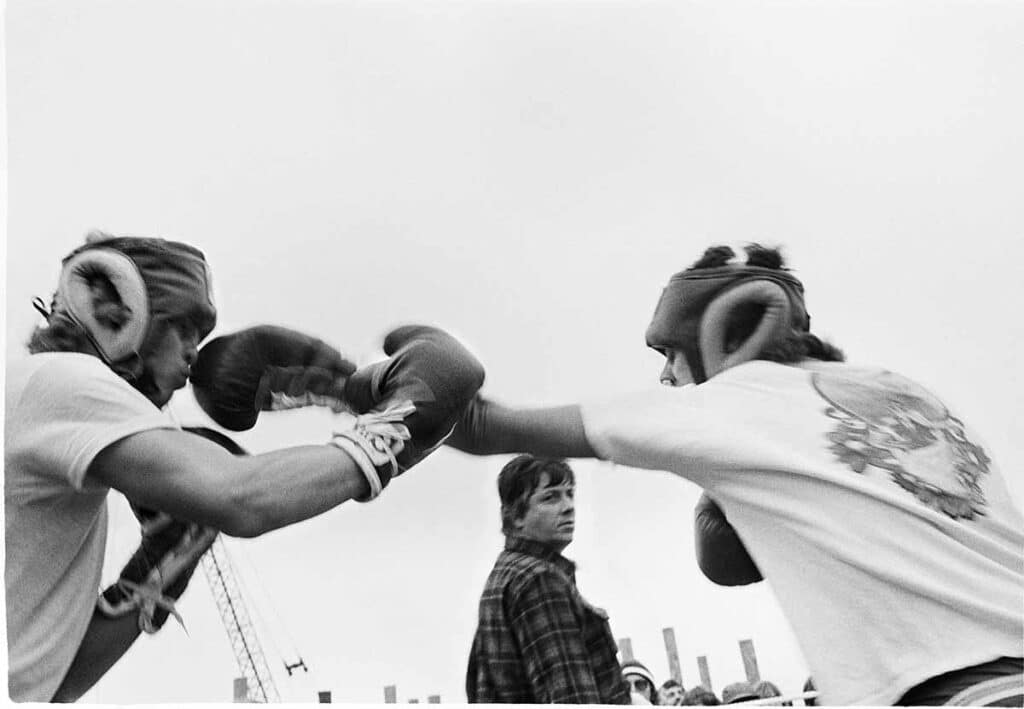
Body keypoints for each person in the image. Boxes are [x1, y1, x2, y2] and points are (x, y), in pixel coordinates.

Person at [446, 243, 1024, 706]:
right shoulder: (907, 391)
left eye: (671, 355)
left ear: (719, 338)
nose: (669, 377)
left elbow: (483, 426)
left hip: (953, 692)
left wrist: (383, 395)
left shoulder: (733, 400)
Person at [5, 231, 484, 702]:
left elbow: (49, 683)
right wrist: (396, 428)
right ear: (123, 314)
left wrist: (159, 564)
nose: (195, 350)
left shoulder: (51, 410)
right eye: (185, 329)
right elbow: (242, 497)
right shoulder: (60, 379)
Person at [465, 455, 631, 704]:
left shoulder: (505, 575)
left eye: (569, 493)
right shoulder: (539, 580)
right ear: (515, 516)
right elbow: (571, 697)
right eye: (550, 497)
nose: (568, 506)